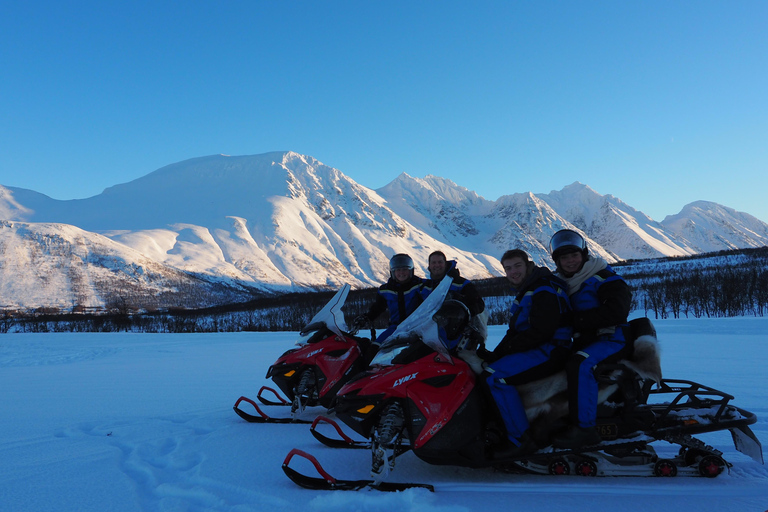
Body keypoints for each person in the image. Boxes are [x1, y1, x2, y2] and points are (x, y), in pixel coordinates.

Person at [459, 249, 572, 458]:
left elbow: (541, 331)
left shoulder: (543, 288)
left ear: (528, 265)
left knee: (495, 377)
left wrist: (505, 353)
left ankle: (520, 439)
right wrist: (495, 354)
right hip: (541, 346)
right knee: (488, 368)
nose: (513, 272)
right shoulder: (530, 289)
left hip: (551, 348)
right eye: (508, 268)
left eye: (517, 266)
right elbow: (514, 332)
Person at [548, 229, 633, 449]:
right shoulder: (560, 283)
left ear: (584, 254)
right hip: (584, 340)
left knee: (580, 364)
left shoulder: (604, 277)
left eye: (574, 255)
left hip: (610, 339)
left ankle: (584, 428)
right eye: (564, 257)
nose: (569, 261)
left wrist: (575, 321)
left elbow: (617, 311)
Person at [353, 253, 425, 347]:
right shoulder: (385, 290)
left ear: (411, 270)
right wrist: (366, 318)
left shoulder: (421, 286)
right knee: (375, 348)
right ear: (392, 272)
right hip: (395, 329)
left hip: (418, 328)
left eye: (404, 269)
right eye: (398, 270)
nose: (401, 273)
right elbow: (377, 308)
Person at [422, 251, 487, 346]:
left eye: (440, 262)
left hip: (458, 336)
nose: (437, 265)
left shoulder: (461, 284)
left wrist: (462, 312)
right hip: (430, 336)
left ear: (445, 263)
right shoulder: (426, 287)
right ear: (429, 266)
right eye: (434, 262)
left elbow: (479, 304)